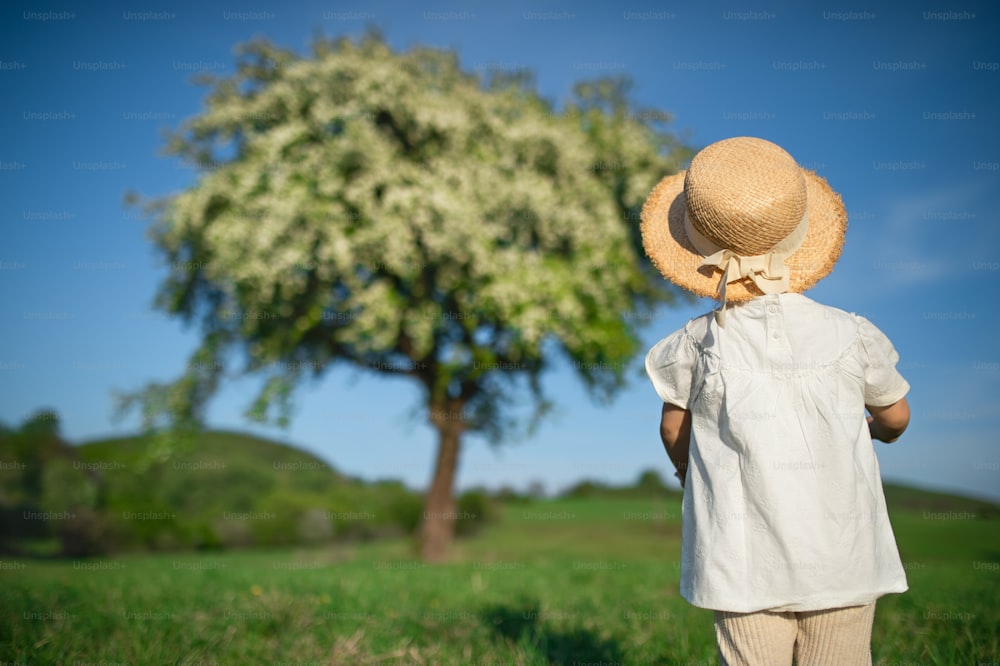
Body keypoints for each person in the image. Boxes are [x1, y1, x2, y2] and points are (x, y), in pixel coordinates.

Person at [640, 136, 911, 666]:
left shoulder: (695, 343)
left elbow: (673, 431)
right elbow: (895, 415)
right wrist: (874, 430)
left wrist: (684, 470)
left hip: (741, 561)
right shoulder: (852, 335)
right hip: (843, 556)